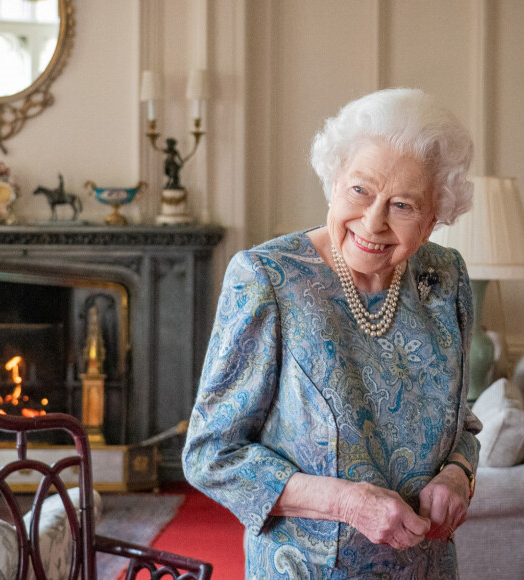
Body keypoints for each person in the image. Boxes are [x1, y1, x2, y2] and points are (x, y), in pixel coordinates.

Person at [182, 88, 482, 579]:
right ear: (334, 181)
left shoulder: (445, 278)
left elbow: (461, 422)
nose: (373, 221)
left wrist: (457, 474)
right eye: (360, 190)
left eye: (403, 205)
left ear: (432, 220)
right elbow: (211, 455)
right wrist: (347, 502)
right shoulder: (267, 279)